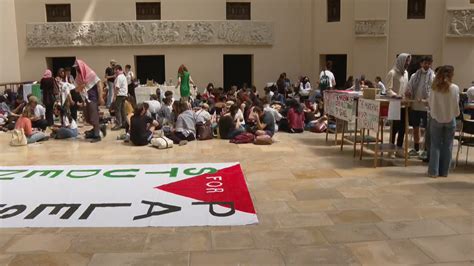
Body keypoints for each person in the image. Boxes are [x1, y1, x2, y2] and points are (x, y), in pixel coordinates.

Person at [428, 65, 459, 178]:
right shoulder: (455, 88)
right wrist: (454, 115)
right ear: (451, 75)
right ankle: (444, 172)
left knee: (435, 145)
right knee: (448, 146)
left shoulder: (434, 88)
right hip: (450, 119)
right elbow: (456, 105)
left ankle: (433, 172)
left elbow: (430, 103)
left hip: (436, 119)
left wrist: (434, 114)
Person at [405, 56, 434, 157]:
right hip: (415, 105)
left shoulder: (433, 77)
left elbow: (433, 92)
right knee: (415, 128)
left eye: (428, 63)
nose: (426, 65)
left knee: (427, 129)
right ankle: (416, 148)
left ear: (431, 64)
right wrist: (408, 92)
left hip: (426, 107)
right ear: (421, 63)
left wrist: (427, 100)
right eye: (425, 63)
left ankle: (426, 150)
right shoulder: (414, 75)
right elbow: (409, 87)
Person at [74, 59, 107, 142]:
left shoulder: (91, 74)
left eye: (78, 68)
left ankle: (97, 135)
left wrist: (100, 97)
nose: (77, 70)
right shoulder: (78, 78)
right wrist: (81, 86)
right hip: (84, 99)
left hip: (92, 98)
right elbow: (76, 90)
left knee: (93, 117)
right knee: (87, 118)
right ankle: (100, 127)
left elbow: (99, 83)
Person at [386, 53, 411, 157]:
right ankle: (390, 149)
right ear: (401, 60)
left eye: (409, 61)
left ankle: (399, 150)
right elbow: (388, 89)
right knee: (394, 128)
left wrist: (408, 93)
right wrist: (396, 96)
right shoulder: (392, 73)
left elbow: (406, 87)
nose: (407, 63)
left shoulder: (406, 73)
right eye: (406, 61)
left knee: (403, 129)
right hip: (395, 104)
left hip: (404, 105)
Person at [112, 65, 128, 131]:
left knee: (117, 109)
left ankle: (118, 124)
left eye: (115, 70)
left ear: (118, 69)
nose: (114, 71)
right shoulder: (123, 76)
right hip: (124, 94)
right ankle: (124, 123)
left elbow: (117, 87)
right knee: (122, 109)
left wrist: (114, 96)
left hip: (119, 94)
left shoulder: (119, 77)